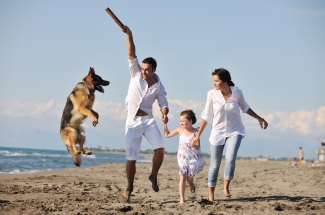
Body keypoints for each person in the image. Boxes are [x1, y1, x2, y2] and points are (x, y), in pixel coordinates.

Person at [192, 68, 268, 201]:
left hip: (235, 130)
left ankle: (226, 185)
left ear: (225, 81)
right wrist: (198, 135)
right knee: (215, 164)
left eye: (216, 81)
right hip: (217, 132)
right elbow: (206, 115)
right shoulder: (211, 94)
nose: (214, 83)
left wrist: (259, 118)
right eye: (213, 81)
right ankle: (211, 194)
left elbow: (245, 107)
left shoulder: (237, 93)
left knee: (231, 158)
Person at [121, 26, 169, 202]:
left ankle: (153, 175)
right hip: (132, 121)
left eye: (147, 69)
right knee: (131, 159)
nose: (143, 71)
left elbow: (163, 102)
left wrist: (164, 113)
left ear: (154, 70)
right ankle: (129, 187)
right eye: (143, 68)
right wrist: (130, 34)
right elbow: (131, 52)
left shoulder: (159, 86)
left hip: (148, 120)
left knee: (161, 149)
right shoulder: (135, 74)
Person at [164, 109, 206, 203]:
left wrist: (195, 144)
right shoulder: (180, 130)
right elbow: (167, 135)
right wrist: (165, 124)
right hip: (182, 158)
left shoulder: (196, 132)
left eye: (183, 121)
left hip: (193, 159)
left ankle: (191, 183)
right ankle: (182, 199)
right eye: (180, 121)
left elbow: (198, 146)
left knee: (189, 179)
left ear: (190, 121)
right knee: (182, 176)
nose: (181, 123)